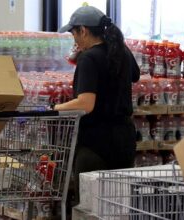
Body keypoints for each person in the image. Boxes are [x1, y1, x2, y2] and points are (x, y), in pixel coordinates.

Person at [55, 5, 140, 205]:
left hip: (95, 146)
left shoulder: (89, 58)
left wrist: (55, 109)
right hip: (124, 142)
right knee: (119, 207)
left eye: (73, 33)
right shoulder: (120, 52)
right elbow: (135, 75)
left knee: (90, 208)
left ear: (83, 30)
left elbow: (86, 104)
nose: (74, 39)